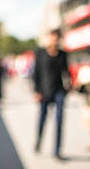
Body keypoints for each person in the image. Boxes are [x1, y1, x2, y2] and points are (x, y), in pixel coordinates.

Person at [33, 28, 70, 160]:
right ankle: (38, 140)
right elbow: (36, 74)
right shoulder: (40, 53)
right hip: (44, 91)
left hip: (59, 91)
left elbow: (66, 73)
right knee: (42, 119)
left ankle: (57, 151)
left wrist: (68, 87)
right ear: (49, 38)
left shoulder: (63, 55)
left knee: (59, 120)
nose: (54, 40)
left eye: (57, 38)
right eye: (52, 37)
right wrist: (36, 91)